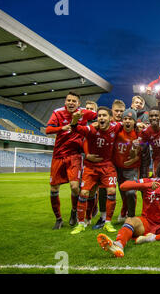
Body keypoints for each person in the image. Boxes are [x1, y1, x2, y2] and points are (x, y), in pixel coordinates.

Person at [96, 159, 160, 258]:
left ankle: (153, 238)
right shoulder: (149, 181)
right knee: (130, 220)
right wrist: (146, 185)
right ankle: (118, 245)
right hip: (146, 223)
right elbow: (123, 186)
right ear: (159, 171)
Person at [45, 91, 97, 230]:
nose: (71, 103)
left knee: (75, 186)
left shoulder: (83, 113)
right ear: (65, 101)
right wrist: (62, 128)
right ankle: (58, 219)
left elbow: (100, 115)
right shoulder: (57, 113)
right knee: (54, 188)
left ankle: (74, 211)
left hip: (74, 155)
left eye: (74, 101)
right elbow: (48, 130)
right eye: (69, 100)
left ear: (79, 103)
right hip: (58, 155)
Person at [69, 106, 122, 234]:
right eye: (99, 116)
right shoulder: (91, 129)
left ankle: (107, 222)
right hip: (90, 167)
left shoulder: (115, 127)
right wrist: (74, 121)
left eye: (104, 115)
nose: (101, 118)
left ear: (110, 118)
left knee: (111, 191)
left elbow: (128, 123)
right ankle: (81, 223)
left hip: (107, 166)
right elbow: (76, 129)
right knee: (85, 193)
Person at [92, 100, 126, 230]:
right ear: (112, 111)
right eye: (116, 111)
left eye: (121, 111)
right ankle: (103, 216)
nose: (119, 113)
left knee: (124, 190)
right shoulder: (103, 124)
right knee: (103, 190)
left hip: (123, 163)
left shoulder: (125, 125)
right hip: (107, 163)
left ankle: (125, 213)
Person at [114, 109, 141, 222]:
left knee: (130, 192)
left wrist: (134, 158)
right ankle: (124, 211)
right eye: (125, 119)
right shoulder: (117, 131)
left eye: (130, 119)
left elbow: (142, 153)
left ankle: (131, 216)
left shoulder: (138, 133)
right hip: (118, 167)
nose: (127, 121)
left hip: (132, 168)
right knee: (123, 193)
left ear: (134, 121)